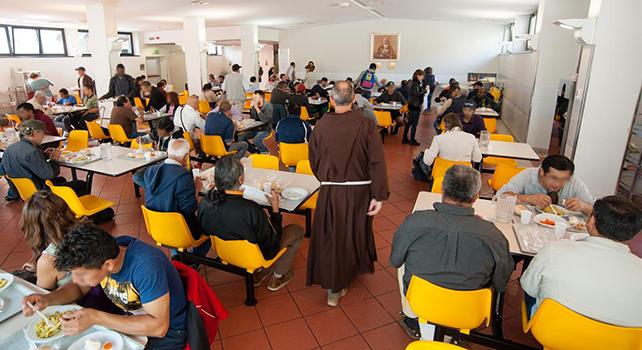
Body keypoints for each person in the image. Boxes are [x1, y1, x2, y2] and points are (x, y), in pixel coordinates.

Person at [391, 165, 513, 338]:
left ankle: (412, 318)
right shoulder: (493, 235)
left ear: (442, 189)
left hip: (422, 300)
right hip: (469, 311)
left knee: (404, 259)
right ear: (476, 196)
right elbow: (501, 282)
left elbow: (395, 260)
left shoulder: (414, 222)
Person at [22, 223, 189, 348]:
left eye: (80, 274)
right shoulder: (103, 253)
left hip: (167, 334)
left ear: (108, 265)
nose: (76, 279)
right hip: (129, 320)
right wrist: (47, 299)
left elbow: (159, 327)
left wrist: (95, 317)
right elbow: (78, 288)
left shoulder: (145, 266)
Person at [307, 81, 389, 306]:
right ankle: (349, 271)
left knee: (332, 236)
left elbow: (314, 161)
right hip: (359, 192)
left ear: (331, 100)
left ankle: (334, 288)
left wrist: (328, 180)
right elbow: (376, 161)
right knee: (354, 232)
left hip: (330, 190)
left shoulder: (320, 126)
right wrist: (378, 195)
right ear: (354, 100)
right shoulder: (366, 124)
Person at [521, 196, 642, 326]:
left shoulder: (554, 249)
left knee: (534, 287)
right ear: (633, 233)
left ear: (591, 221)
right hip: (621, 342)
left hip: (554, 330)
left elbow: (528, 286)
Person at [199, 156, 304, 290]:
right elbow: (273, 243)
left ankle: (259, 273)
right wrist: (275, 211)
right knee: (297, 230)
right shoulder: (251, 209)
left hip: (224, 253)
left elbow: (205, 228)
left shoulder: (206, 201)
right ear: (241, 179)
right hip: (254, 257)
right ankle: (278, 277)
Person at [143, 139, 211, 256]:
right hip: (180, 231)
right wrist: (196, 189)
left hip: (156, 228)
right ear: (186, 157)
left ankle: (177, 254)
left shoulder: (151, 171)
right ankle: (193, 259)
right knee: (211, 225)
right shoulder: (183, 176)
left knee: (172, 210)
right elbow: (189, 209)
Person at [1, 120, 88, 198]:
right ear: (35, 133)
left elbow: (26, 163)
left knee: (61, 180)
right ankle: (71, 211)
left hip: (24, 191)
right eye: (43, 133)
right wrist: (54, 159)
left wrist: (43, 155)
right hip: (41, 193)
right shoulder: (32, 152)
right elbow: (50, 174)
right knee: (81, 184)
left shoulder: (9, 149)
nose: (44, 137)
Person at [497, 155, 595, 215]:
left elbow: (601, 214)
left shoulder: (575, 183)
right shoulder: (528, 175)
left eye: (564, 179)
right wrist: (527, 198)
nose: (558, 184)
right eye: (554, 178)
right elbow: (500, 196)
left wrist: (584, 206)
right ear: (542, 172)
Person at [20, 191, 78, 290]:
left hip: (77, 302)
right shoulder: (86, 229)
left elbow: (43, 296)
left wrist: (42, 269)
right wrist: (39, 270)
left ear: (34, 229)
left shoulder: (48, 260)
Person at [403, 69, 427, 145]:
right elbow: (416, 93)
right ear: (418, 75)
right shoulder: (415, 84)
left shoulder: (412, 83)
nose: (423, 77)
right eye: (422, 76)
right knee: (414, 124)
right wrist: (424, 91)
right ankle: (412, 140)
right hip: (415, 105)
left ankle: (404, 138)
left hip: (411, 104)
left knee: (409, 123)